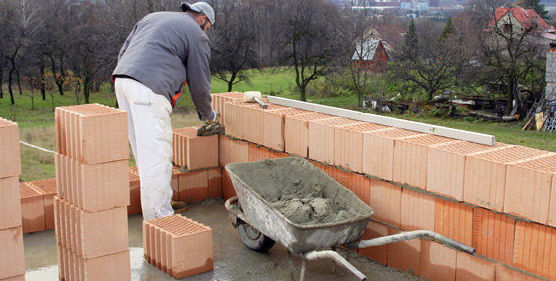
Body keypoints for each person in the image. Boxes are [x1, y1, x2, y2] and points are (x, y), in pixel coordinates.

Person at [112, 2, 217, 220]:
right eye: (207, 27)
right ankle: (161, 219)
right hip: (149, 89)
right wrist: (208, 115)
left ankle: (155, 206)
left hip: (123, 81)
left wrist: (129, 78)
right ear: (202, 19)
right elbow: (200, 81)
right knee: (157, 155)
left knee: (143, 152)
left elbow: (125, 50)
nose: (205, 32)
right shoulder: (195, 34)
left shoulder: (153, 17)